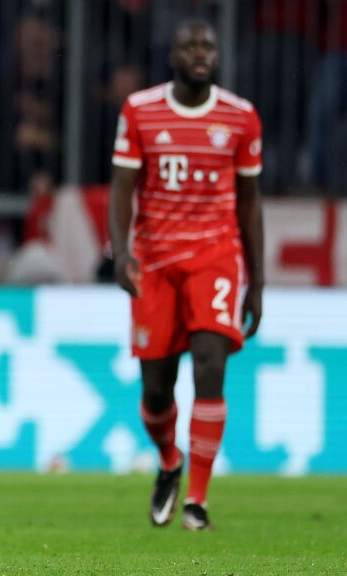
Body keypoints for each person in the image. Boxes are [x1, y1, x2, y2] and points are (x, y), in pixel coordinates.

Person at [108, 20, 265, 532]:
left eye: (208, 47)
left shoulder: (240, 117)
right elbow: (122, 187)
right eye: (190, 46)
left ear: (216, 56)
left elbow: (250, 203)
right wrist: (121, 253)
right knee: (157, 390)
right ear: (172, 56)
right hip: (155, 262)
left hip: (215, 257)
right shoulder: (140, 110)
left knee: (210, 363)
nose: (200, 53)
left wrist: (257, 281)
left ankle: (197, 501)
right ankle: (169, 461)